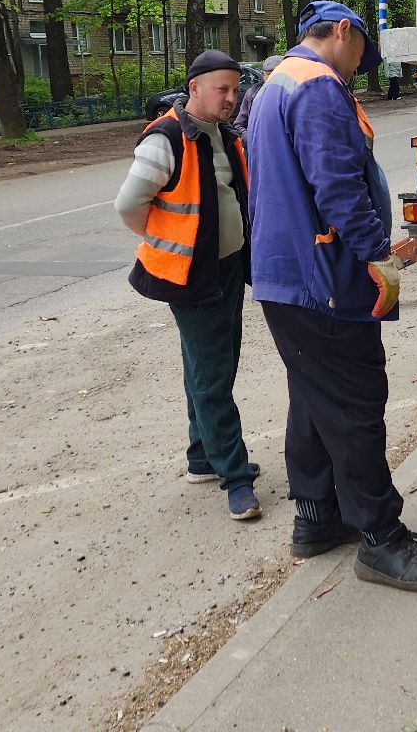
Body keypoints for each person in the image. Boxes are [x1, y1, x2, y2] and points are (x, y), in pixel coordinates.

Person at [245, 0, 417, 592]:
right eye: (362, 46)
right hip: (325, 277)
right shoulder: (316, 87)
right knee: (355, 404)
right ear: (343, 31)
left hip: (286, 274)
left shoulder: (275, 83)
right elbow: (338, 186)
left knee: (313, 398)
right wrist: (376, 254)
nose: (362, 60)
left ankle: (317, 518)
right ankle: (381, 538)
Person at [118, 49, 261, 521]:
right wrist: (163, 239)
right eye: (222, 89)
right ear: (194, 88)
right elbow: (129, 205)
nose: (231, 98)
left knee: (207, 365)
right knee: (212, 375)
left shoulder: (222, 133)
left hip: (226, 269)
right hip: (190, 276)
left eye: (235, 90)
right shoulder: (167, 137)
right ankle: (235, 477)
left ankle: (202, 456)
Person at [233, 54, 280, 133]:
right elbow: (239, 125)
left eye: (275, 74)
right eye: (268, 74)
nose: (271, 78)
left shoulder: (290, 94)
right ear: (263, 75)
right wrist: (250, 139)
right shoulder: (252, 93)